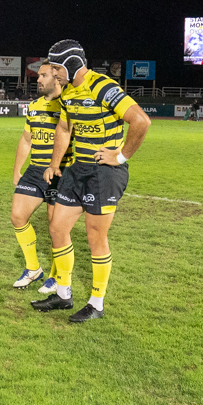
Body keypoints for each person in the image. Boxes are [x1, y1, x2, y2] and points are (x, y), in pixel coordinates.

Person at [33, 40, 151, 323]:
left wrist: (120, 157)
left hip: (104, 173)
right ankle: (63, 295)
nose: (54, 74)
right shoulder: (69, 92)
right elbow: (64, 128)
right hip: (76, 170)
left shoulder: (103, 86)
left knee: (95, 237)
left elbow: (141, 121)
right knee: (57, 227)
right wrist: (54, 163)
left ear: (72, 64)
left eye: (57, 68)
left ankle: (96, 303)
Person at [9, 59, 74, 292]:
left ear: (57, 77)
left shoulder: (68, 105)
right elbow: (27, 139)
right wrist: (17, 169)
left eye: (43, 75)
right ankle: (33, 268)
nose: (38, 79)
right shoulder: (34, 106)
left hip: (60, 171)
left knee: (56, 226)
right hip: (35, 170)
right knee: (17, 216)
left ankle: (58, 276)